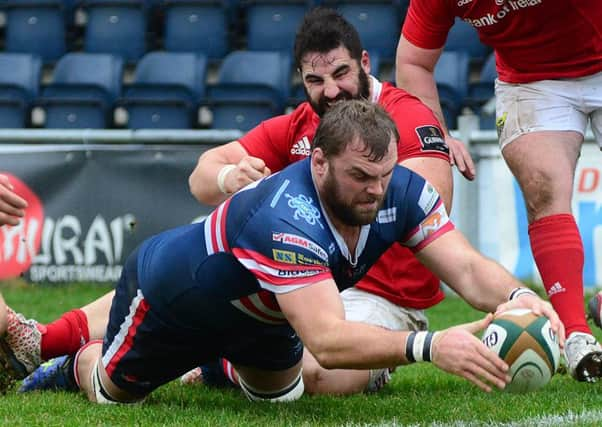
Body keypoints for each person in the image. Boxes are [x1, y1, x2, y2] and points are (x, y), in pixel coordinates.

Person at [2, 7, 475, 397]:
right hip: (299, 278)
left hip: (379, 292)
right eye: (315, 80)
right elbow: (201, 175)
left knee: (320, 376)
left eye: (340, 74)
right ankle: (40, 340)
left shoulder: (408, 117)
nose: (330, 90)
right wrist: (232, 176)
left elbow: (432, 205)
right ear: (301, 80)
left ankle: (210, 363)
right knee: (190, 271)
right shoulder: (299, 126)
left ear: (365, 63)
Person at [1, 100, 563, 403]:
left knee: (282, 399)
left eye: (385, 175)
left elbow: (463, 264)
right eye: (361, 176)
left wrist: (517, 295)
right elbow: (328, 339)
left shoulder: (402, 191)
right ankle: (69, 364)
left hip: (262, 315)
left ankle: (215, 366)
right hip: (174, 297)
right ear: (319, 163)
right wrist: (432, 344)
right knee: (113, 394)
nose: (376, 189)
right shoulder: (285, 217)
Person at [395, 0, 602, 382]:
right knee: (543, 190)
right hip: (532, 81)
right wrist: (437, 133)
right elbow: (412, 62)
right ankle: (577, 337)